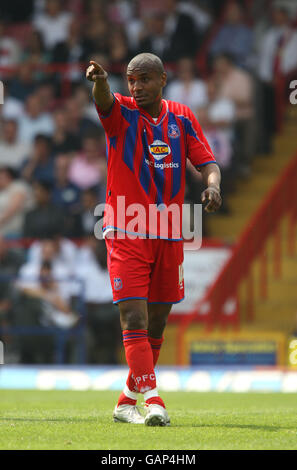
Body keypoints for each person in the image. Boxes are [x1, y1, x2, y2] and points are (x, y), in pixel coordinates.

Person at [86, 53, 222, 426]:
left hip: (168, 230)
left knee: (157, 324)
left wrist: (212, 187)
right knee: (133, 316)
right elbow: (104, 101)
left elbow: (208, 163)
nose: (136, 87)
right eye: (131, 80)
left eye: (144, 79)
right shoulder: (122, 112)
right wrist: (100, 81)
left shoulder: (181, 116)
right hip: (125, 229)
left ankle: (126, 402)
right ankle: (154, 400)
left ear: (163, 79)